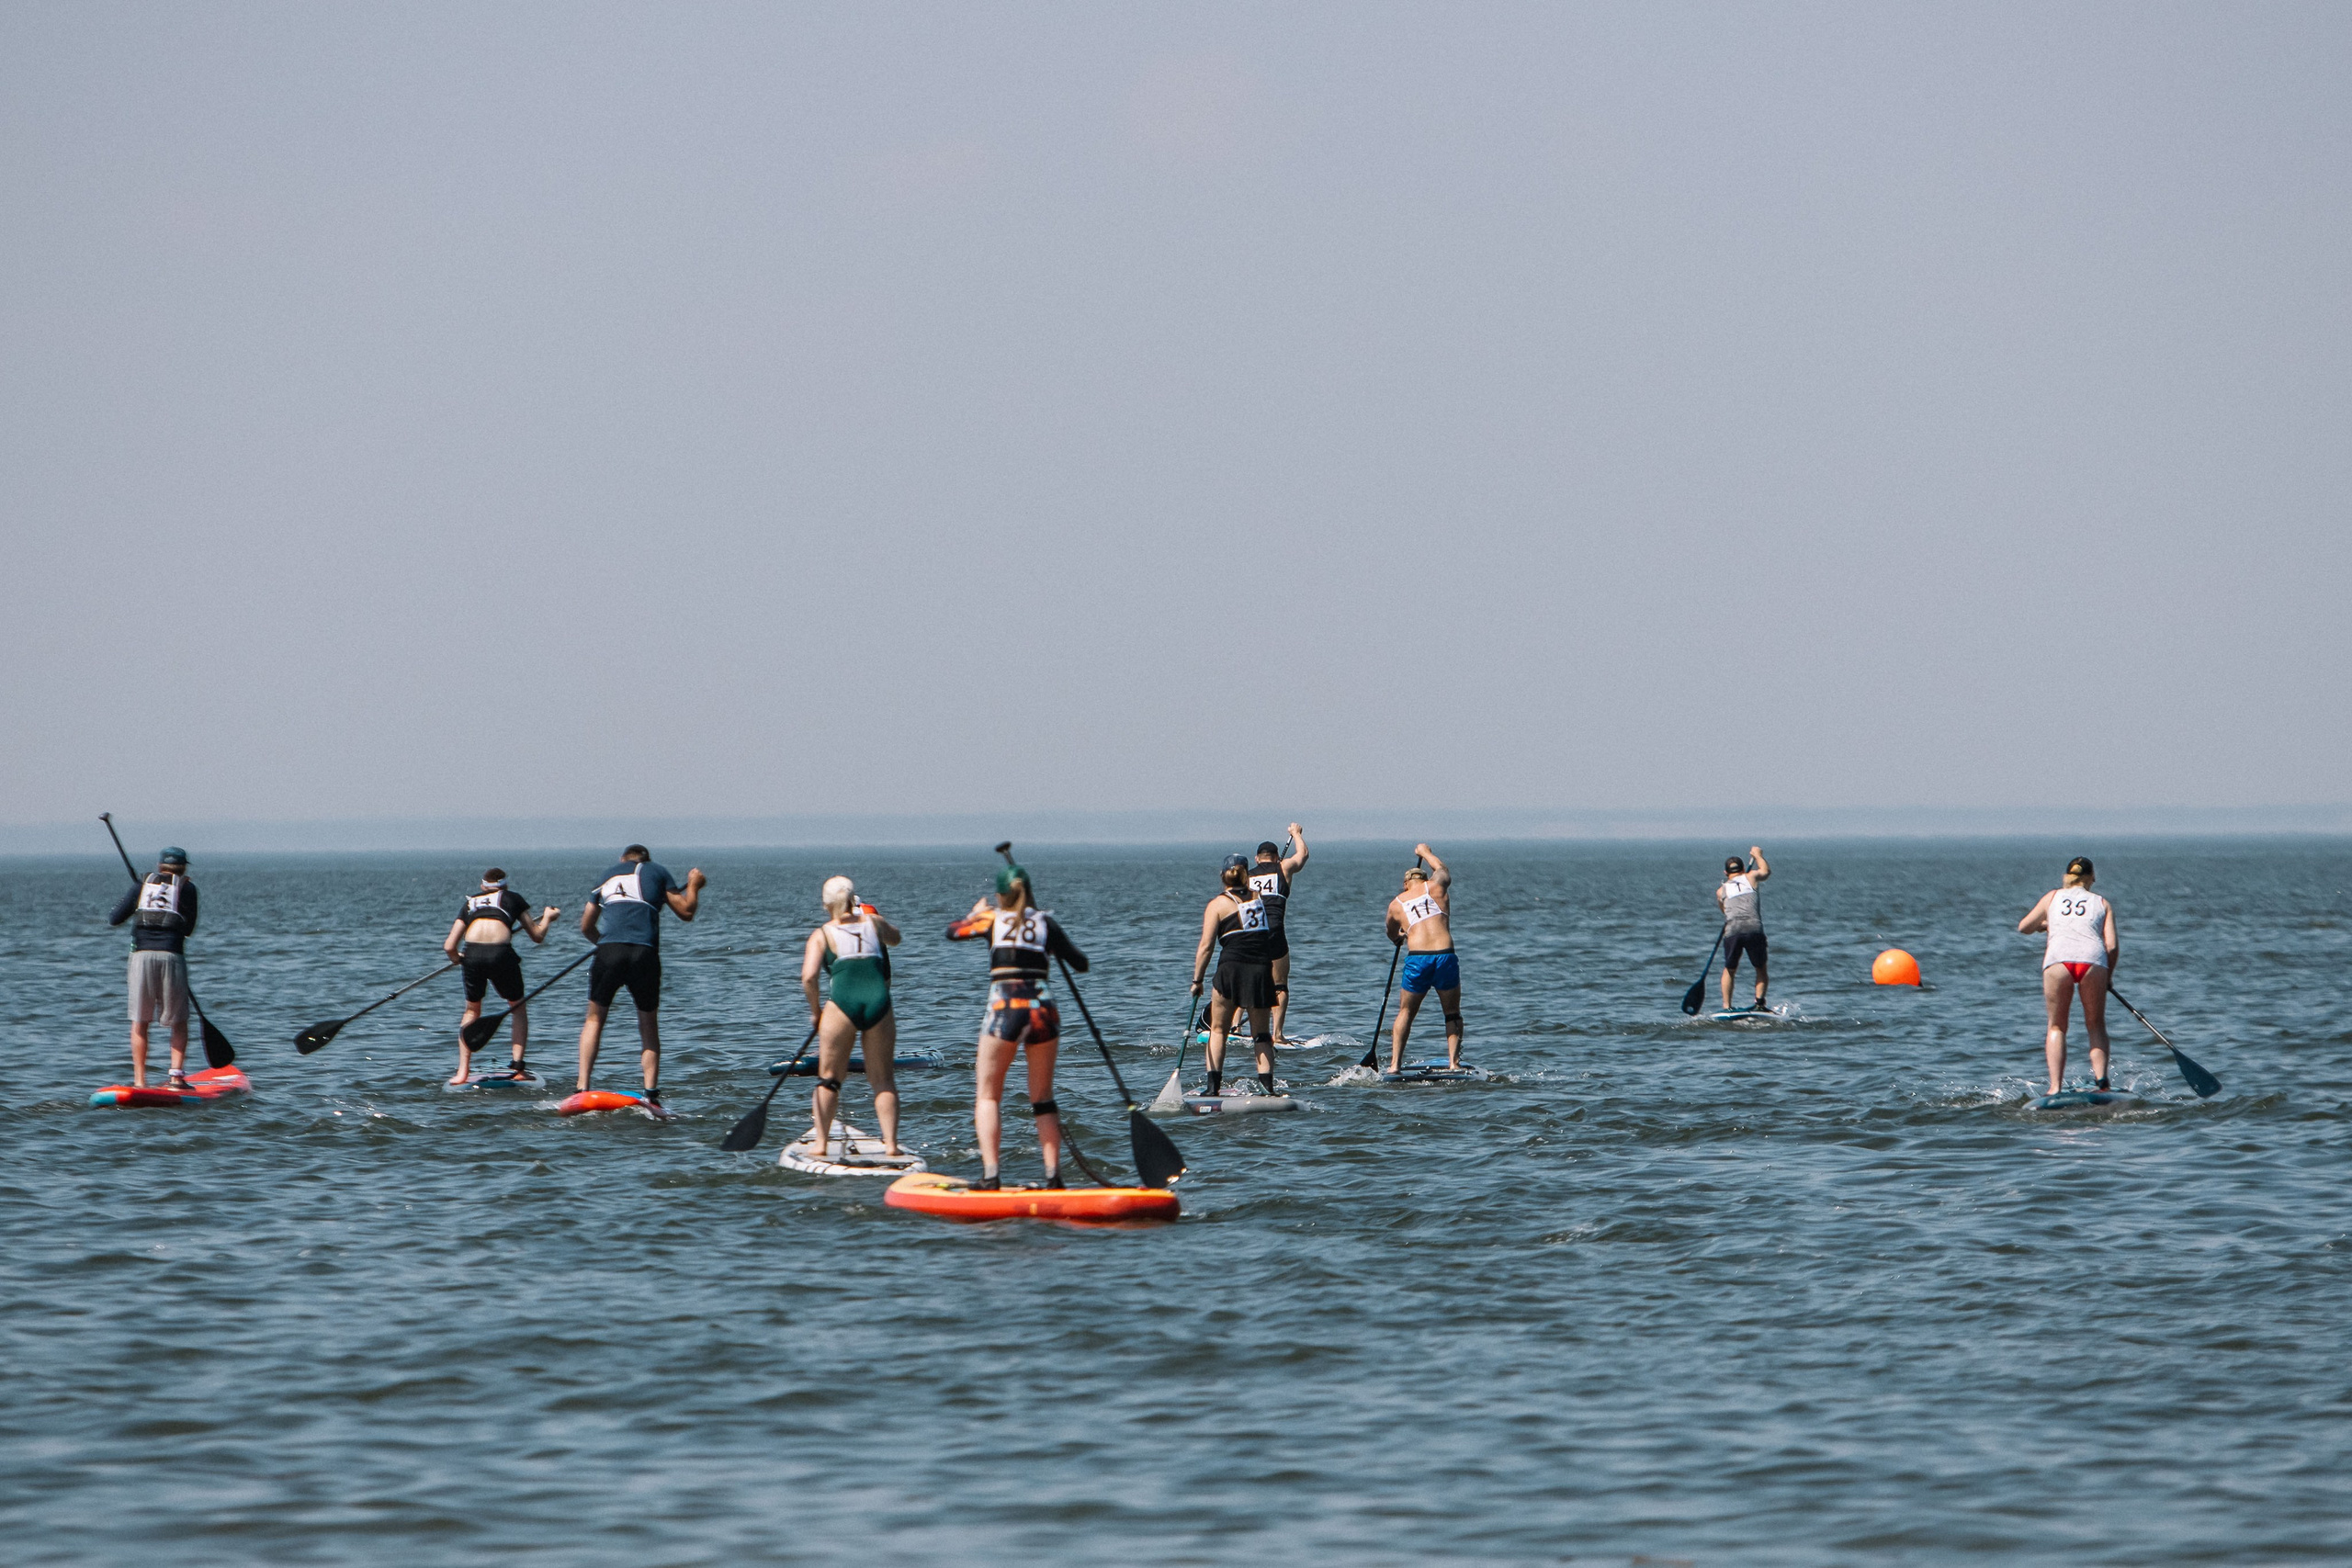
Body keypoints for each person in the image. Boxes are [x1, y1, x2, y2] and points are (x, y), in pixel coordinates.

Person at [946, 863, 1087, 1190]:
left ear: (999, 896)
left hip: (1004, 1011)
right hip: (1043, 1011)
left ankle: (991, 1176)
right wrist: (1049, 941)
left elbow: (952, 932)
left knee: (988, 1095)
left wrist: (974, 914)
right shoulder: (1045, 923)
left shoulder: (990, 919)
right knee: (1043, 1099)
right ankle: (1054, 1178)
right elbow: (1081, 963)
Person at [577, 844, 706, 1103]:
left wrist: (604, 945)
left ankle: (581, 1089)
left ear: (622, 859)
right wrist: (694, 884)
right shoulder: (658, 872)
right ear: (647, 859)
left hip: (608, 951)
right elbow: (686, 912)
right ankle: (651, 1094)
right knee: (648, 1024)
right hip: (643, 954)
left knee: (594, 1019)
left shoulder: (607, 874)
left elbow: (586, 926)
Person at [797, 876, 904, 1159]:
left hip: (841, 1005)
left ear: (826, 905)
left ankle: (820, 1144)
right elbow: (896, 938)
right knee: (883, 1080)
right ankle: (891, 1146)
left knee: (829, 1078)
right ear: (853, 899)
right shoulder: (874, 923)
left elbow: (808, 977)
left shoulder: (821, 934)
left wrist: (816, 1013)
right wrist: (874, 920)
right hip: (879, 1002)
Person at [441, 870, 560, 1083]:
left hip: (472, 955)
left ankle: (462, 1072)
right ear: (504, 886)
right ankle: (518, 1069)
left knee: (471, 1010)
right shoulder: (512, 898)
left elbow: (449, 946)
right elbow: (537, 936)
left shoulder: (471, 902)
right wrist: (548, 918)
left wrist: (458, 959)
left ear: (483, 886)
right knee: (517, 1007)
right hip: (500, 955)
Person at [2017, 855, 2120, 1095]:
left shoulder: (2052, 897)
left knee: (2056, 1026)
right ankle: (2102, 1082)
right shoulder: (2102, 903)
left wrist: (2046, 925)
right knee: (2095, 1025)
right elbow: (2112, 946)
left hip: (2058, 962)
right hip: (2093, 961)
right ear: (2092, 878)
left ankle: (2055, 1088)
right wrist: (2108, 977)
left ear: (2067, 877)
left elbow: (2024, 927)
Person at [107, 846, 198, 1090]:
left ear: (160, 866)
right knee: (178, 1021)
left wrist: (139, 894)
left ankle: (139, 1081)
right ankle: (176, 1078)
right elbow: (188, 929)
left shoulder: (141, 885)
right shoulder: (188, 888)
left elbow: (114, 918)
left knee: (140, 1021)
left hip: (141, 957)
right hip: (171, 956)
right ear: (184, 868)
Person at [1191, 853, 1281, 1097]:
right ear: (1246, 874)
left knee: (1218, 1029)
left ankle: (1212, 1088)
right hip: (1260, 970)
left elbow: (1206, 947)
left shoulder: (1217, 905)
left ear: (1223, 876)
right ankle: (1268, 1089)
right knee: (1261, 1034)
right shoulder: (1259, 899)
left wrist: (1197, 981)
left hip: (1230, 970)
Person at [1385, 844, 1462, 1071]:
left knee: (1406, 1011)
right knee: (1452, 1012)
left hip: (1418, 958)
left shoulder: (1396, 903)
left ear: (1406, 884)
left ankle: (1394, 1065)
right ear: (1425, 879)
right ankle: (1454, 1063)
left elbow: (1391, 934)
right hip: (1445, 955)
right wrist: (1425, 853)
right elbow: (1444, 870)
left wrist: (1400, 936)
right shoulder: (1437, 886)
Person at [1247, 824, 1309, 1043]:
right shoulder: (1283, 868)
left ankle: (1235, 1028)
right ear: (1275, 857)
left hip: (1250, 935)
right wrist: (1296, 834)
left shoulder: (1245, 876)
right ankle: (1278, 1034)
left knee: (1248, 982)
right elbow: (1303, 854)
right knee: (1280, 984)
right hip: (1274, 932)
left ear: (1257, 859)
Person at [1715, 847, 1772, 1011]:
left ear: (1726, 873)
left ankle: (1727, 1007)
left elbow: (1725, 911)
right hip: (1753, 929)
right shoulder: (1752, 877)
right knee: (1760, 968)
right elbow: (1766, 871)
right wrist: (1758, 855)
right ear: (1742, 869)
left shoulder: (1721, 891)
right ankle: (1760, 1003)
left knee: (1729, 969)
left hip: (1733, 931)